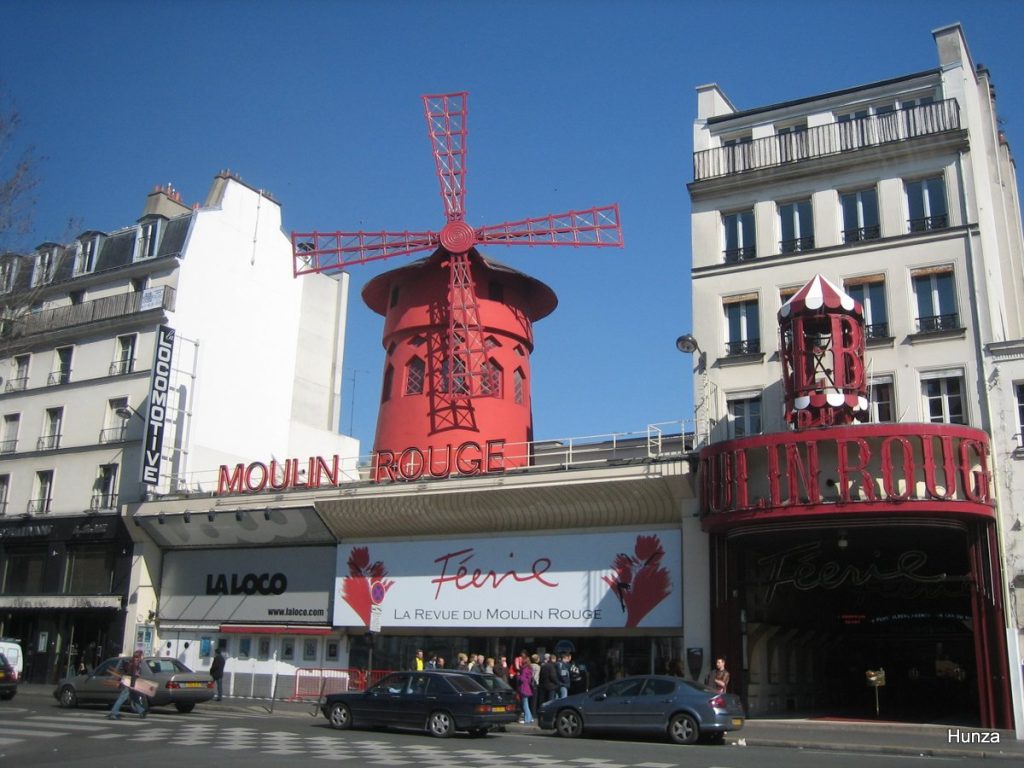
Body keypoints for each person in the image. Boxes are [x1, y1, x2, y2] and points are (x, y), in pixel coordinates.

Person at [108, 650, 147, 719]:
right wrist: (132, 685)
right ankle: (113, 713)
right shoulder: (134, 664)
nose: (142, 657)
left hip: (129, 683)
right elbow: (133, 675)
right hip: (129, 684)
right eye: (141, 656)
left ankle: (142, 711)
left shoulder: (133, 663)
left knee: (134, 697)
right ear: (139, 657)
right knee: (122, 698)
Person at [516, 655, 535, 724]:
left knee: (525, 704)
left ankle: (527, 719)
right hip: (528, 688)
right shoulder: (530, 668)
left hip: (524, 687)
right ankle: (530, 717)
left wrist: (518, 676)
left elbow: (522, 679)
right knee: (526, 703)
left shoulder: (524, 669)